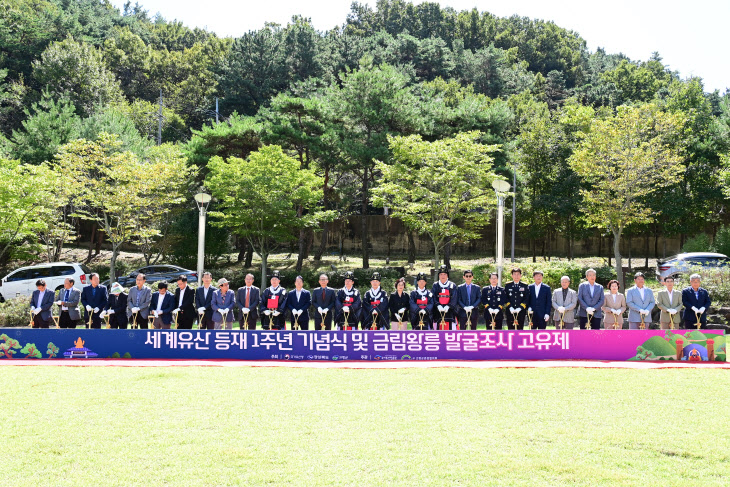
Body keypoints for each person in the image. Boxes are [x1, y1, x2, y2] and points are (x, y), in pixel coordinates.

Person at [432, 265, 458, 330]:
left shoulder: (452, 285)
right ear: (439, 275)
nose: (443, 276)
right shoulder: (435, 285)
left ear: (447, 275)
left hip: (450, 311)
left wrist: (448, 306)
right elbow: (433, 296)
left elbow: (454, 298)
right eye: (441, 274)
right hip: (438, 311)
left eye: (444, 274)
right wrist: (438, 305)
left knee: (450, 328)